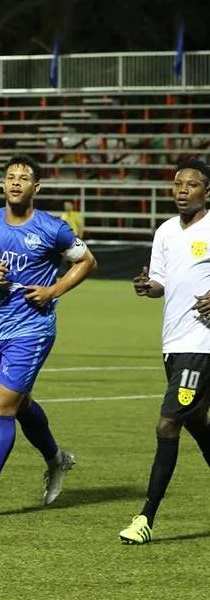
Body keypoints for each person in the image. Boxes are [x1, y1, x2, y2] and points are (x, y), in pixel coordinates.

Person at [0, 154, 97, 516]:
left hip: (33, 329)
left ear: (36, 187)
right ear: (3, 184)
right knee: (22, 404)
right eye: (11, 176)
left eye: (24, 177)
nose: (16, 182)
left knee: (1, 404)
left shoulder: (52, 228)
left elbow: (87, 261)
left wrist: (53, 291)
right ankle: (56, 458)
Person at [120, 158, 210, 544]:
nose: (182, 190)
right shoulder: (165, 232)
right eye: (178, 184)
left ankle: (145, 518)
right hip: (173, 343)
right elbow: (159, 283)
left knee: (167, 423)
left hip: (201, 345)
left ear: (207, 191)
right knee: (195, 423)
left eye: (191, 184)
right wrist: (147, 286)